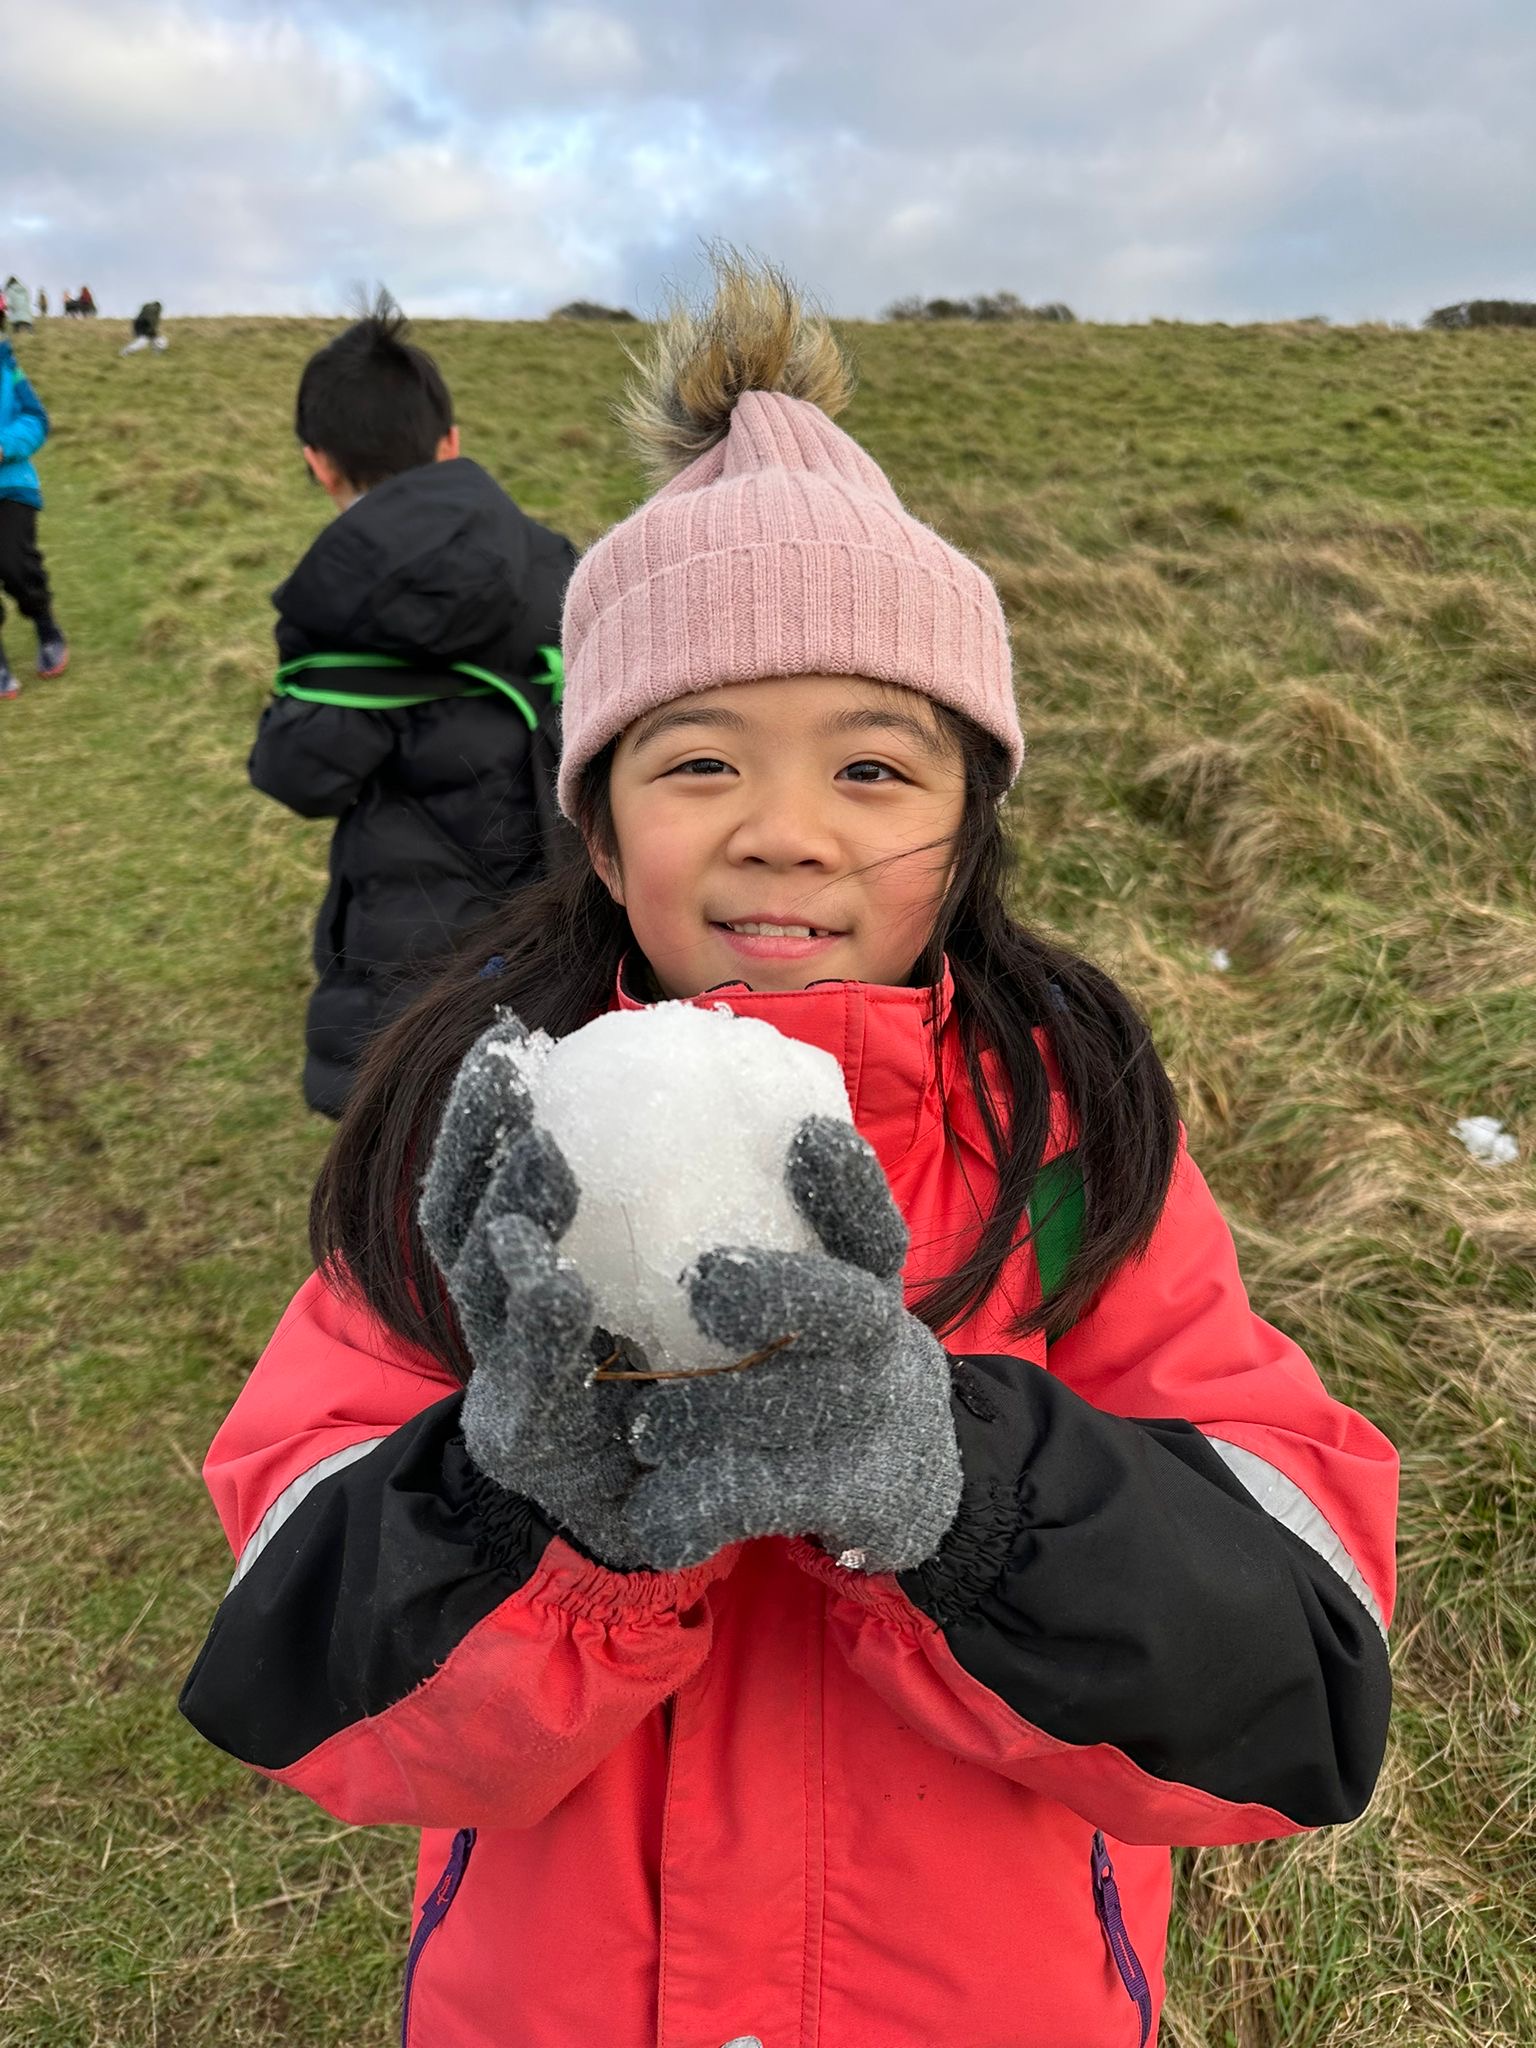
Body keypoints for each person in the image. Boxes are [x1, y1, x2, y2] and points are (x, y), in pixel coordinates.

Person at [180, 258, 1397, 2048]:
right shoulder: (491, 1144)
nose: (785, 833)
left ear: (970, 826)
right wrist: (519, 1510)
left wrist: (963, 1496)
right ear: (601, 833)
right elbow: (310, 1694)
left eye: (874, 772)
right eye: (696, 764)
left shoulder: (1068, 1144)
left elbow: (1299, 1685)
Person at [246, 299, 576, 1117]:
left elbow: (301, 776)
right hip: (562, 922)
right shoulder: (559, 561)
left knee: (404, 1152)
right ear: (450, 442)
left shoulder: (339, 594)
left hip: (407, 948)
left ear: (319, 464)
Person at [0, 337, 69, 699]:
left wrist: (4, 445)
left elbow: (37, 420)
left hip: (11, 485)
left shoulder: (8, 369)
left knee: (15, 564)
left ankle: (46, 627)